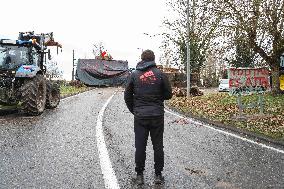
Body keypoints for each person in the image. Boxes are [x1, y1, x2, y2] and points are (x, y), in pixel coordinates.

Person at [124, 49, 172, 185]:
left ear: (142, 59)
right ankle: (158, 175)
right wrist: (157, 98)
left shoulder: (134, 74)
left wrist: (134, 110)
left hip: (140, 116)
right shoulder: (160, 74)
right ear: (153, 59)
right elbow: (169, 94)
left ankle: (139, 176)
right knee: (158, 145)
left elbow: (127, 95)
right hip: (157, 115)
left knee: (140, 146)